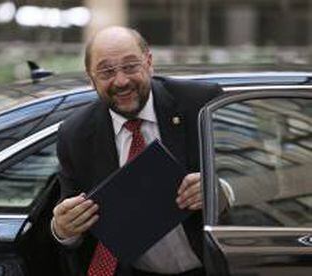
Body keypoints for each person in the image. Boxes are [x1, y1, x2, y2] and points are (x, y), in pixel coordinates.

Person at [51, 26, 222, 276]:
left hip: (211, 268)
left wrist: (221, 191)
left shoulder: (200, 104)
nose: (121, 81)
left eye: (131, 66)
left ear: (149, 63)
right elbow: (70, 217)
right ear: (91, 79)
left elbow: (252, 172)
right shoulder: (75, 134)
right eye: (107, 71)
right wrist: (63, 229)